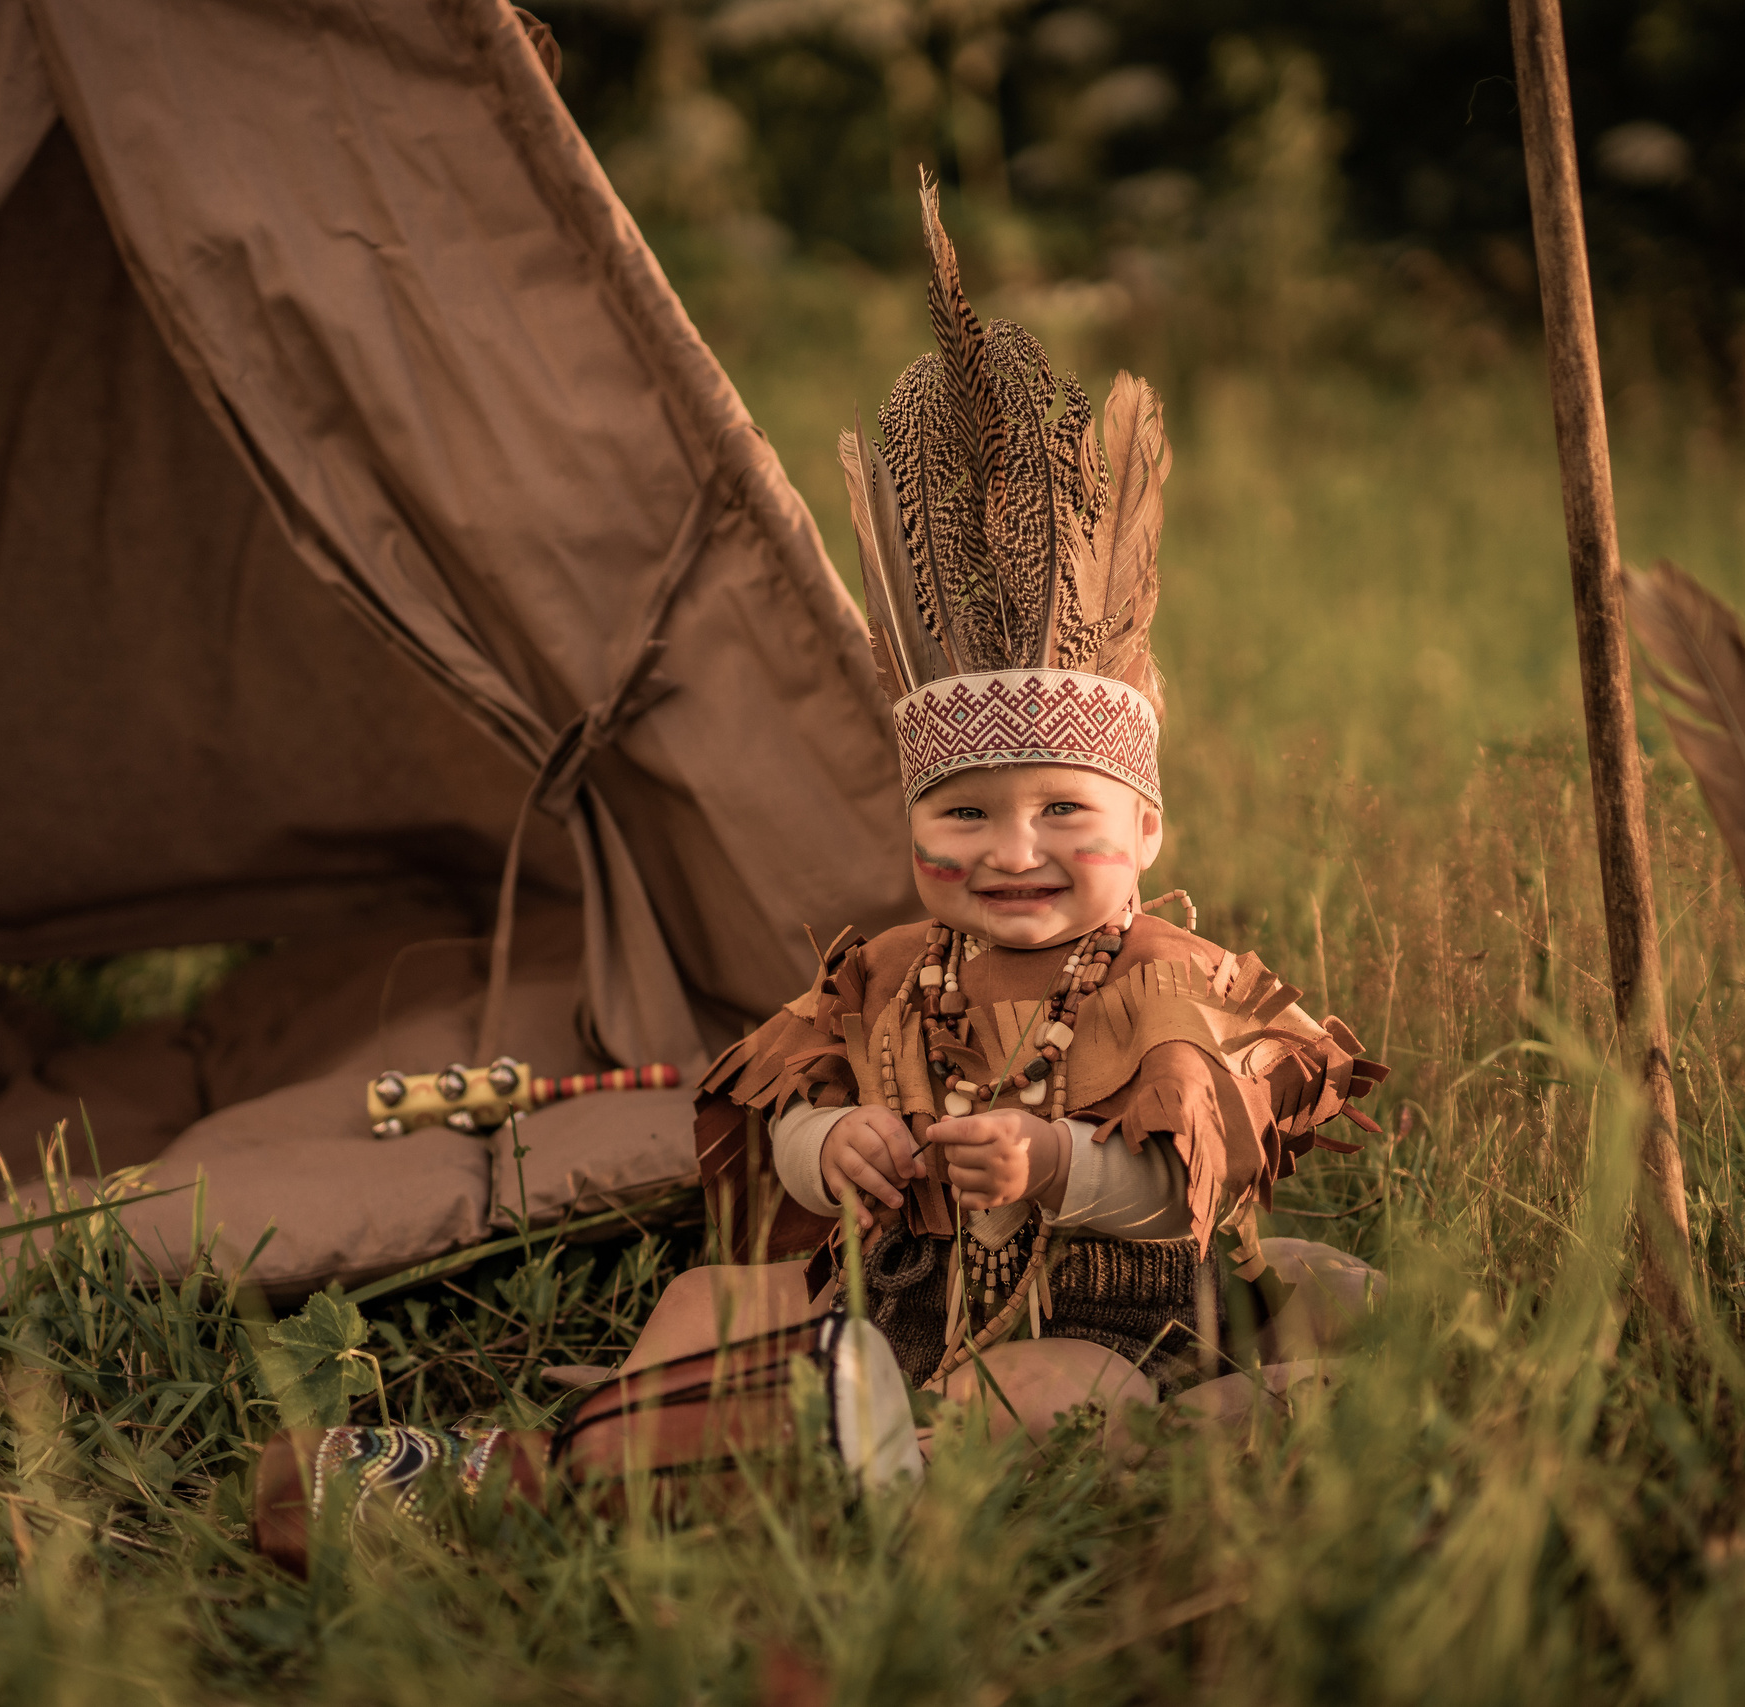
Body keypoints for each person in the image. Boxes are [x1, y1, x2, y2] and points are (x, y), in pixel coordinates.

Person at [254, 177, 1384, 1571]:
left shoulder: (1167, 991)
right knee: (704, 1298)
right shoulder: (895, 974)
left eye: (1060, 813)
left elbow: (1188, 1186)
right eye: (964, 817)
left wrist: (1055, 1160)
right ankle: (597, 1454)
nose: (1012, 853)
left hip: (1092, 1315)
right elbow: (782, 1097)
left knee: (1043, 1395)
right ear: (914, 832)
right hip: (887, 1306)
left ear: (1146, 831)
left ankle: (826, 1491)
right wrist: (825, 1143)